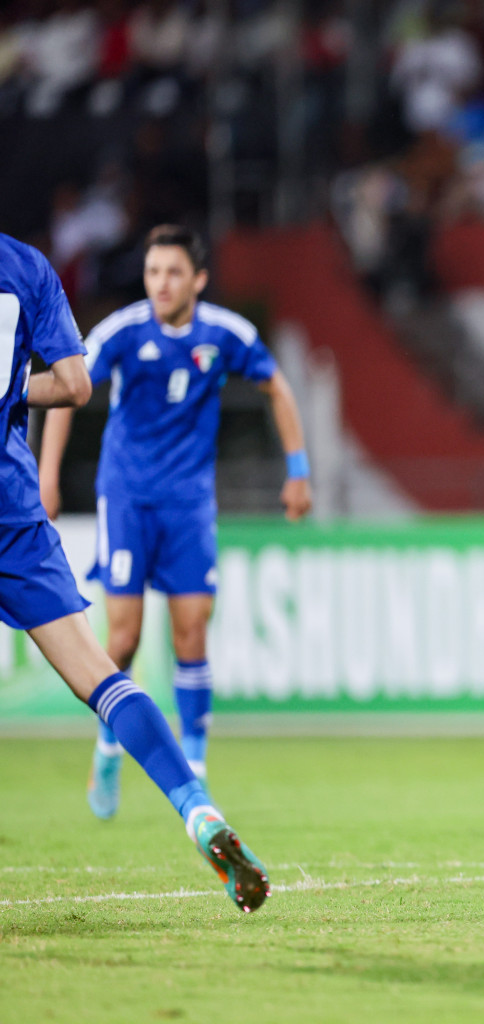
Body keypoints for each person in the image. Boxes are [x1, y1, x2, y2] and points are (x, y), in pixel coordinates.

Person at [0, 231, 268, 911]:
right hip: (11, 510)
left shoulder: (213, 333)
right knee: (102, 673)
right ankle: (197, 807)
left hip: (157, 502)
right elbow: (73, 383)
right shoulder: (27, 266)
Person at [37, 224, 312, 819]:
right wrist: (48, 476)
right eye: (152, 272)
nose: (160, 283)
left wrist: (298, 470)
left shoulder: (227, 335)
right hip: (128, 499)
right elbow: (67, 388)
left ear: (198, 280)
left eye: (172, 273)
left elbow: (278, 389)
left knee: (191, 631)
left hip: (189, 503)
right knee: (125, 636)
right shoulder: (123, 331)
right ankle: (110, 746)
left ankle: (197, 768)